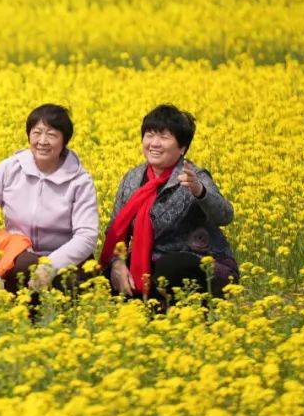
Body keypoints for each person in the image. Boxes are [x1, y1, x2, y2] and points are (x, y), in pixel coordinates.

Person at [99, 105, 237, 306]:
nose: (154, 143)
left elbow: (225, 216)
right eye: (149, 135)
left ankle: (169, 311)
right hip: (148, 263)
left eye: (164, 137)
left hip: (198, 262)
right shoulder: (132, 179)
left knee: (172, 267)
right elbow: (116, 229)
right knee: (102, 279)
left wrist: (200, 192)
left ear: (182, 147)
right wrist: (117, 264)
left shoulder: (193, 176)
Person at [0, 104, 99, 293]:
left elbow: (86, 235)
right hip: (19, 255)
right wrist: (2, 239)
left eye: (51, 134)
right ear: (29, 135)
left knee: (72, 285)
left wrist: (51, 265)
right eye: (37, 133)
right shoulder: (10, 168)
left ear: (64, 140)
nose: (42, 141)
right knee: (23, 269)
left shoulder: (80, 180)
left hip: (65, 257)